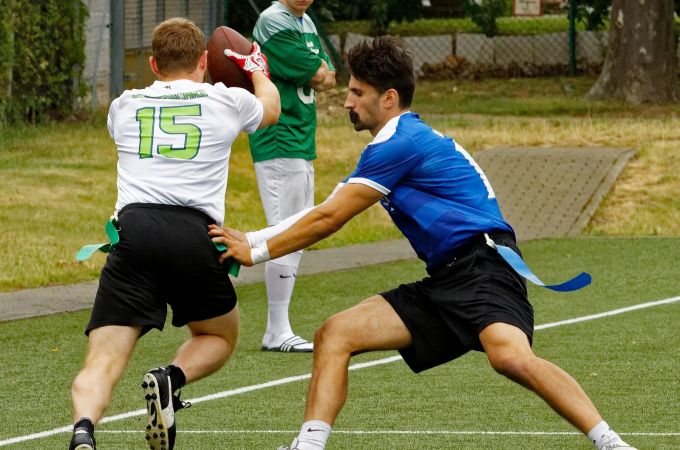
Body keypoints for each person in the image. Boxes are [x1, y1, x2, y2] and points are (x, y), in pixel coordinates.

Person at [210, 37, 637, 450]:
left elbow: (330, 218)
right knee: (335, 333)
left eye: (358, 93)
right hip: (448, 276)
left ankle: (611, 443)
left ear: (389, 98)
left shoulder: (401, 143)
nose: (347, 102)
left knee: (510, 358)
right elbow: (327, 207)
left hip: (485, 265)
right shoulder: (394, 142)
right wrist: (251, 239)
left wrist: (258, 250)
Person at [68, 17, 280, 450]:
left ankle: (83, 432)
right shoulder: (228, 101)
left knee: (104, 359)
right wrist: (256, 66)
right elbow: (271, 109)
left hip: (134, 232)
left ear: (152, 63)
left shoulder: (122, 106)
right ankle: (170, 377)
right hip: (195, 234)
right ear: (204, 60)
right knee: (219, 336)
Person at [248, 0, 337, 353]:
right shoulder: (273, 20)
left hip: (299, 135)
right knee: (287, 229)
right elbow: (317, 74)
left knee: (296, 229)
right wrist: (319, 70)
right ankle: (277, 329)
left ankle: (278, 328)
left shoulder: (305, 20)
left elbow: (328, 73)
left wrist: (320, 70)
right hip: (279, 134)